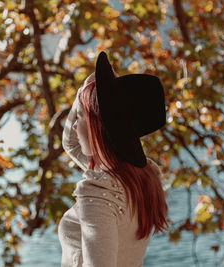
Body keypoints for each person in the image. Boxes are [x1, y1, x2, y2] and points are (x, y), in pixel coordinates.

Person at [58, 51, 169, 267]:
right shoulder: (144, 176)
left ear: (97, 127)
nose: (74, 124)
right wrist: (93, 87)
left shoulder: (99, 195)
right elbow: (70, 143)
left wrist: (98, 87)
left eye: (81, 116)